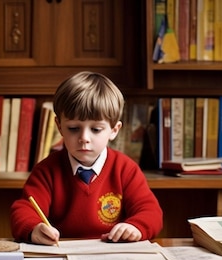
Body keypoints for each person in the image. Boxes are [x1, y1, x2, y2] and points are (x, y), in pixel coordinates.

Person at [10, 71, 163, 245]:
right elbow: (23, 210)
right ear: (59, 126)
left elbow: (151, 212)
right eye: (74, 128)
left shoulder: (125, 169)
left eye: (96, 129)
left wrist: (136, 227)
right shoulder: (46, 170)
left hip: (113, 257)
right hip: (61, 257)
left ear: (114, 130)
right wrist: (34, 228)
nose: (84, 138)